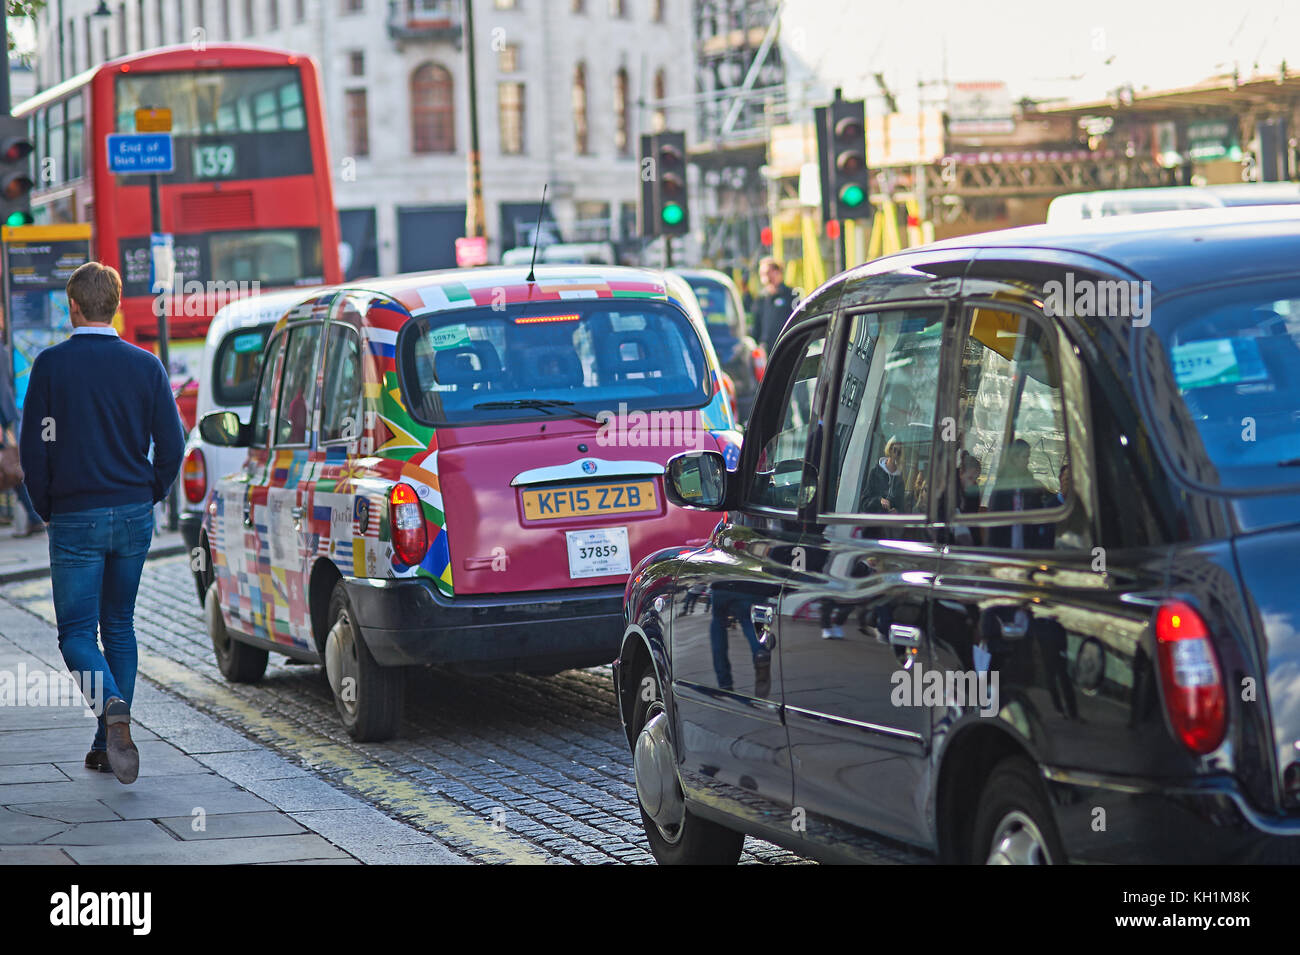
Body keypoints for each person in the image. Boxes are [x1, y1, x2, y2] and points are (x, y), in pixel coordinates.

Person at [19, 262, 184, 784]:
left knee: (74, 634)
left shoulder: (50, 366)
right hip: (133, 513)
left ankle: (109, 705)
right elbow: (173, 444)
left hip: (75, 516)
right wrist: (150, 492)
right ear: (117, 304)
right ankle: (106, 739)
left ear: (72, 307)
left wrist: (47, 505)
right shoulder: (147, 366)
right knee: (119, 626)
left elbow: (33, 450)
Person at [0, 371, 44, 536]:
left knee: (12, 469)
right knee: (13, 470)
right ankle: (34, 517)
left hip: (5, 414)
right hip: (7, 411)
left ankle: (34, 517)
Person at [752, 257, 796, 355]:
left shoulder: (792, 295)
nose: (765, 278)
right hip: (766, 352)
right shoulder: (761, 299)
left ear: (778, 272)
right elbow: (756, 326)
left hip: (787, 348)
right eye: (762, 274)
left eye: (768, 273)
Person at [862, 436, 906, 513]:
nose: (895, 454)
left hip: (890, 523)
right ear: (889, 449)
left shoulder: (900, 479)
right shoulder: (875, 472)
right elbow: (864, 502)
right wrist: (879, 500)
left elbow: (901, 506)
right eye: (894, 449)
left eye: (899, 452)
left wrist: (897, 511)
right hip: (874, 520)